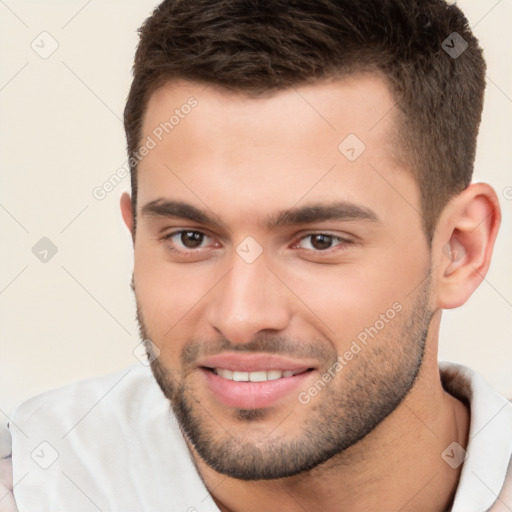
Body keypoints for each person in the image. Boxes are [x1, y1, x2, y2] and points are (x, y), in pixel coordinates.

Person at [2, 0, 511, 510]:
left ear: (459, 249)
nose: (240, 317)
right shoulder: (35, 488)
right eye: (191, 238)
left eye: (319, 241)